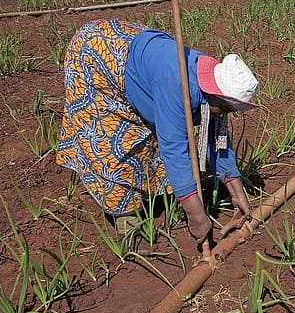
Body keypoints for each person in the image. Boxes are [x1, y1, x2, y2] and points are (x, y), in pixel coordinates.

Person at [56, 18, 257, 243]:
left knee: (152, 134)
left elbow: (217, 134)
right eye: (226, 108)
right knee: (115, 145)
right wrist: (196, 216)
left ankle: (158, 194)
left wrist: (235, 189)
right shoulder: (178, 83)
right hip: (95, 59)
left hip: (135, 51)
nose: (226, 114)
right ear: (216, 95)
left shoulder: (212, 80)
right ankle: (126, 220)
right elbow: (174, 147)